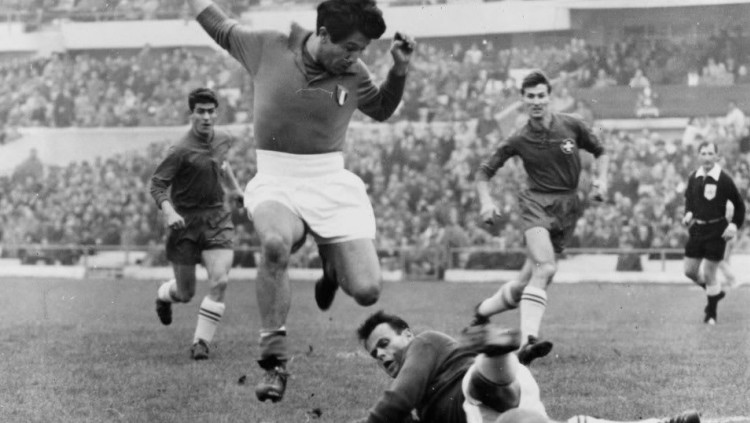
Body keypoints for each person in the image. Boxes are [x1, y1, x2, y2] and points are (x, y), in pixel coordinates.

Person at [186, 0, 414, 402]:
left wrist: (398, 71)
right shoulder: (267, 46)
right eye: (350, 48)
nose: (356, 57)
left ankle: (331, 267)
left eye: (361, 50)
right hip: (277, 178)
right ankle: (274, 363)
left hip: (330, 181)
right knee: (275, 244)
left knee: (366, 291)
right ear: (323, 34)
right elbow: (217, 24)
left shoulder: (355, 73)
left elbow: (381, 109)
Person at [471, 70, 609, 365]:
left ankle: (481, 313)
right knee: (545, 267)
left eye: (541, 96)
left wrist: (601, 181)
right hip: (536, 204)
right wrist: (486, 202)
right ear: (523, 100)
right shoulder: (519, 138)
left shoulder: (571, 125)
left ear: (550, 97)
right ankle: (527, 343)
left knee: (527, 282)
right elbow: (483, 172)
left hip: (567, 207)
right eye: (530, 96)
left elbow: (601, 151)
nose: (536, 101)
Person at [355, 310, 701, 423]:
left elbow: (397, 400)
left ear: (407, 334)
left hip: (480, 389)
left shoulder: (424, 343)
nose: (381, 356)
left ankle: (497, 352)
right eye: (374, 354)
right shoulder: (420, 404)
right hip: (505, 400)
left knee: (479, 389)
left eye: (384, 343)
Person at [150, 87, 244, 360]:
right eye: (200, 112)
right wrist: (169, 212)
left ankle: (200, 342)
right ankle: (163, 295)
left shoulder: (224, 138)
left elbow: (222, 165)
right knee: (185, 293)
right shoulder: (179, 150)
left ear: (216, 113)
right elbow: (157, 185)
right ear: (191, 114)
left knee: (220, 280)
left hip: (216, 217)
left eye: (211, 111)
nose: (206, 117)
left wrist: (235, 190)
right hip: (185, 223)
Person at [681, 141, 745, 325]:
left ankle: (711, 314)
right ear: (698, 156)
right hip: (697, 229)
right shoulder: (694, 177)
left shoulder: (723, 179)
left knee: (710, 273)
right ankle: (715, 293)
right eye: (703, 153)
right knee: (689, 271)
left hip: (717, 230)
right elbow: (689, 201)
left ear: (717, 156)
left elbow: (740, 206)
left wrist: (733, 225)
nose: (707, 157)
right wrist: (688, 213)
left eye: (710, 154)